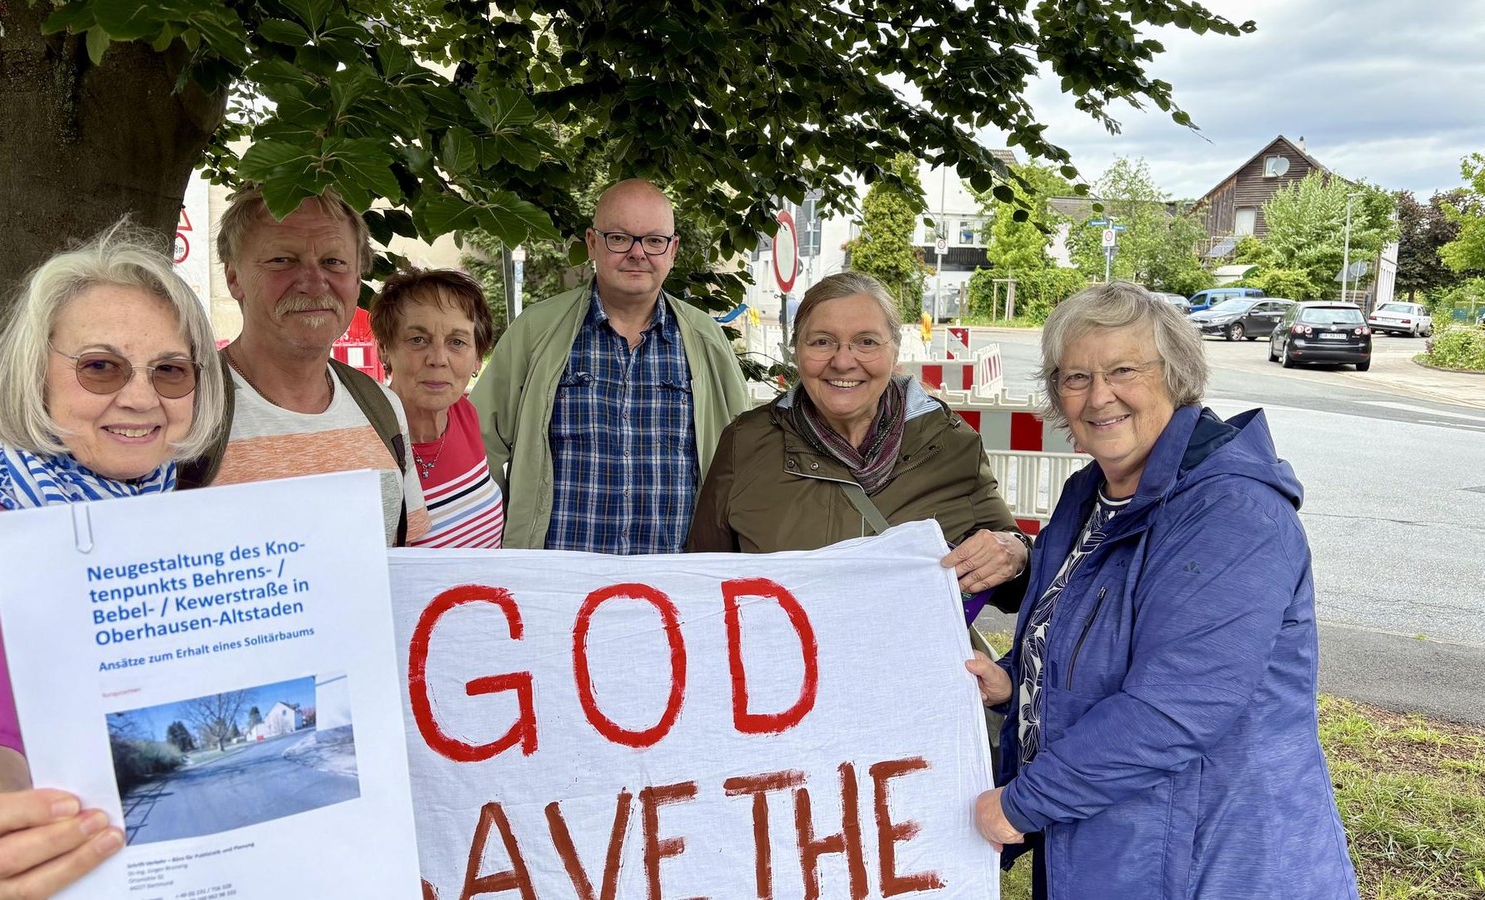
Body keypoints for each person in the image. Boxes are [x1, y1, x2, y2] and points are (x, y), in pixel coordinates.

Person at [964, 283, 1359, 899]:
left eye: (1123, 370)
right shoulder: (1088, 493)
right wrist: (1016, 680)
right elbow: (1091, 632)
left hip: (1213, 861)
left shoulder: (1233, 512)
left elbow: (1177, 706)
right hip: (1109, 846)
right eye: (1075, 377)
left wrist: (1021, 804)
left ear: (1175, 377)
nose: (1099, 396)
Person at [0, 226, 227, 899]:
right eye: (101, 367)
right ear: (36, 376)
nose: (140, 398)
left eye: (169, 370)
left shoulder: (196, 528)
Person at [687, 272, 1031, 615]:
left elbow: (1013, 581)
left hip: (913, 668)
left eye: (866, 342)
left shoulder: (950, 442)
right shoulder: (745, 443)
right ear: (796, 350)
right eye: (821, 341)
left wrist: (1015, 553)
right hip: (785, 667)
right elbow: (697, 586)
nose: (843, 360)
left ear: (894, 348)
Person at [472, 178, 748, 553]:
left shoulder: (705, 340)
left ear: (673, 250)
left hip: (676, 586)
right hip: (559, 581)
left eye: (654, 240)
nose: (638, 253)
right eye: (619, 238)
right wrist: (495, 545)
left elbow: (743, 459)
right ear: (592, 243)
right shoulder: (536, 331)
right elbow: (478, 446)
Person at [179, 184, 429, 546]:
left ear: (357, 280)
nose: (314, 283)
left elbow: (407, 557)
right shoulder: (185, 409)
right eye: (282, 260)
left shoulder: (382, 408)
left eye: (333, 262)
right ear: (234, 278)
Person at [369, 268, 504, 548]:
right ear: (384, 349)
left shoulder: (465, 414)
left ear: (478, 358)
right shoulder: (365, 443)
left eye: (457, 342)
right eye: (418, 340)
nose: (438, 359)